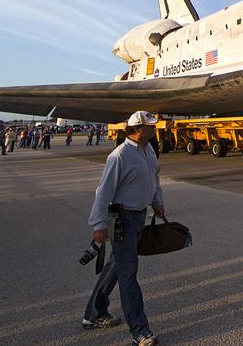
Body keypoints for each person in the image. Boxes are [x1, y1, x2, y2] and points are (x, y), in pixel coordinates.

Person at [84, 111, 164, 345]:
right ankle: (140, 331)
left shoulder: (148, 150)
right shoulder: (119, 156)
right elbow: (104, 191)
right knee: (128, 273)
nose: (154, 129)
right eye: (150, 126)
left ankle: (94, 312)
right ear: (136, 128)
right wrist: (98, 224)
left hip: (138, 217)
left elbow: (154, 178)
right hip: (122, 220)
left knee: (118, 265)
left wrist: (157, 201)